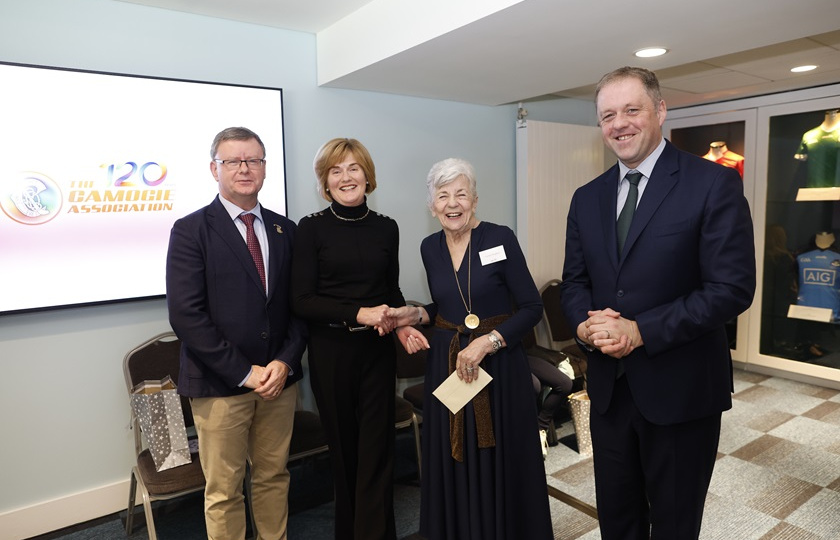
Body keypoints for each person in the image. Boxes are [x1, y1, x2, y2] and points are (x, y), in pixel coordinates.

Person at [560, 67, 756, 540]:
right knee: (618, 519)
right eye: (608, 115)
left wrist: (641, 330)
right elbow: (574, 283)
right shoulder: (587, 198)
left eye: (632, 110)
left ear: (660, 111)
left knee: (673, 522)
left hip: (681, 389)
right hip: (609, 393)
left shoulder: (712, 184)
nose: (619, 124)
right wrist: (585, 328)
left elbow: (731, 288)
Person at [396, 158, 553, 540]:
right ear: (432, 205)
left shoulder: (500, 238)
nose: (453, 203)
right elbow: (447, 308)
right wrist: (415, 314)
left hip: (498, 366)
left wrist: (490, 341)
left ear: (475, 200)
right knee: (455, 453)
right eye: (443, 195)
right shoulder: (429, 247)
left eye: (461, 194)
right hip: (448, 364)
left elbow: (532, 307)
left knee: (501, 454)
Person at [166, 126, 307, 540]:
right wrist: (246, 372)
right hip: (220, 384)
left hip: (279, 382)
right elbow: (186, 316)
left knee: (273, 476)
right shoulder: (191, 230)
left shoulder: (286, 230)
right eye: (234, 161)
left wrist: (284, 360)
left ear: (264, 168)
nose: (245, 168)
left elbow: (301, 306)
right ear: (215, 168)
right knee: (224, 491)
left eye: (254, 160)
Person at [290, 138, 409, 540]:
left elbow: (390, 292)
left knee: (378, 452)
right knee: (346, 454)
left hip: (377, 351)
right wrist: (357, 313)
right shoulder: (310, 228)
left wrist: (404, 322)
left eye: (353, 168)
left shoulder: (386, 227)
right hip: (330, 353)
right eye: (336, 170)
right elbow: (302, 300)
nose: (346, 177)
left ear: (367, 175)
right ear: (325, 182)